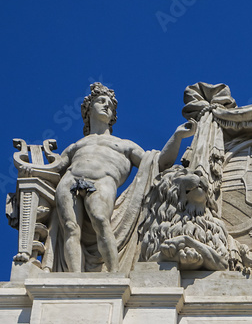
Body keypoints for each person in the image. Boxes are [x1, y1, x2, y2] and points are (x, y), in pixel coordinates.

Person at [21, 83, 195, 272]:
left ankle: (114, 275)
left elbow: (159, 163)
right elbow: (54, 169)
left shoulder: (124, 145)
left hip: (102, 182)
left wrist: (177, 137)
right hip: (69, 182)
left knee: (100, 220)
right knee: (71, 228)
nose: (106, 106)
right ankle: (75, 279)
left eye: (110, 105)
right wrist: (30, 170)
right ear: (88, 110)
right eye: (101, 101)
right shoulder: (76, 146)